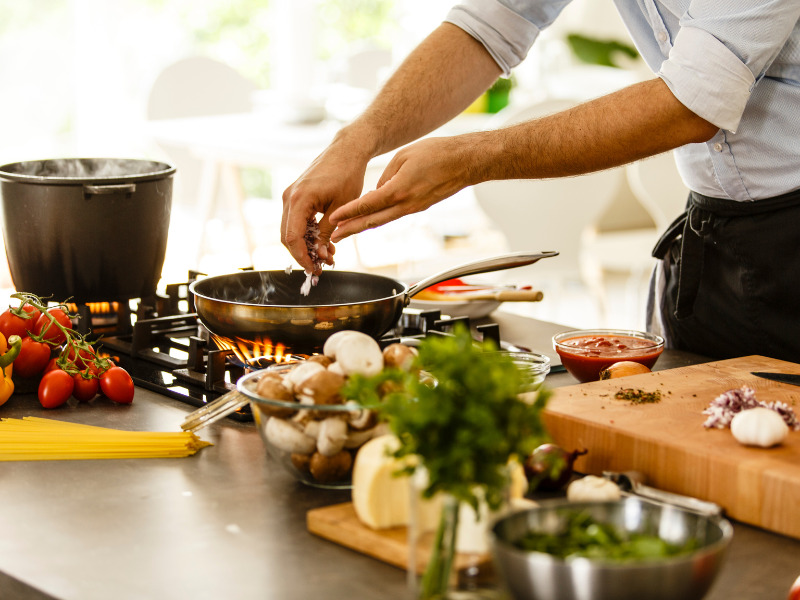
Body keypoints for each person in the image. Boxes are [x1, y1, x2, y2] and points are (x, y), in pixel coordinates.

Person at [281, 1, 800, 362]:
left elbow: (692, 103)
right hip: (713, 237)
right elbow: (488, 24)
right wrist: (358, 140)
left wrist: (472, 158)